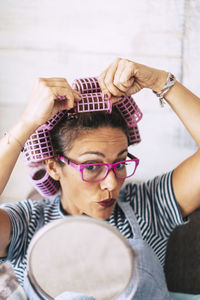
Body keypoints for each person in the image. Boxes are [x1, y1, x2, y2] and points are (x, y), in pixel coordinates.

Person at [0, 57, 200, 299]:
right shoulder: (28, 223)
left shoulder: (148, 207)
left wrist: (160, 81)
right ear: (53, 167)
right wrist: (26, 124)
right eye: (92, 166)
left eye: (120, 163)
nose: (111, 183)